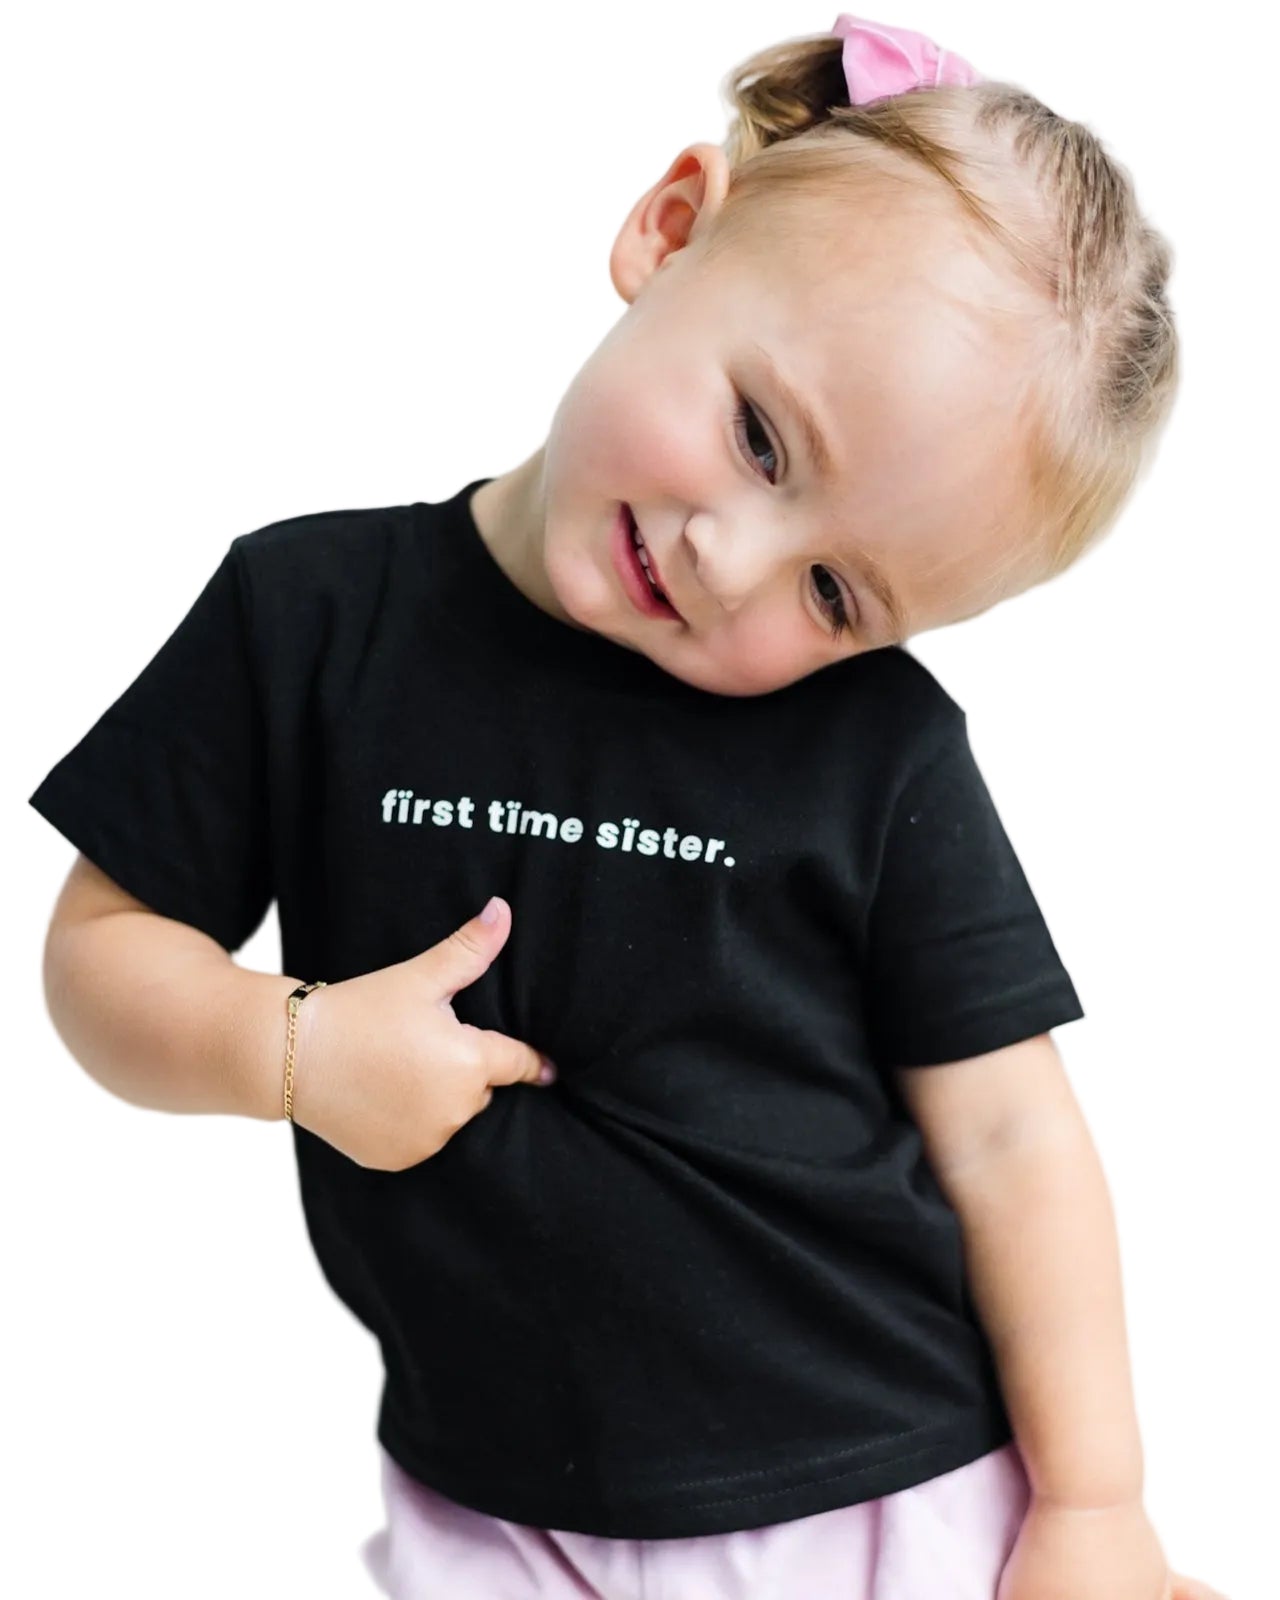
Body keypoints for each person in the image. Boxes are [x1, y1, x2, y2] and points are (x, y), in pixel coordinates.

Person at [26, 13, 1227, 1600]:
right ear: (670, 231)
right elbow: (100, 954)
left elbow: (1012, 1136)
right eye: (760, 437)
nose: (735, 560)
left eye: (836, 592)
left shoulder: (877, 752)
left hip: (885, 1488)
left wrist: (1093, 1506)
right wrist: (291, 1050)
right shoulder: (306, 616)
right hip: (491, 1508)